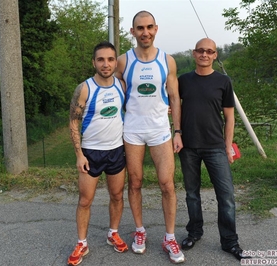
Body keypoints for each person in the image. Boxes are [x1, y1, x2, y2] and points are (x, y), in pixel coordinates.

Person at [114, 11, 185, 264]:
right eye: (140, 28)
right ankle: (140, 231)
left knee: (167, 184)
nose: (145, 32)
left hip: (160, 130)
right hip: (132, 130)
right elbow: (114, 91)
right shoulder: (122, 61)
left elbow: (175, 98)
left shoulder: (168, 61)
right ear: (132, 32)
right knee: (135, 182)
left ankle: (169, 236)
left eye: (149, 27)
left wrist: (177, 131)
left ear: (156, 29)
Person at [177, 37, 251, 261]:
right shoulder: (183, 80)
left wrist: (228, 147)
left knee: (226, 196)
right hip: (187, 146)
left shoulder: (224, 81)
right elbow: (174, 106)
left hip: (215, 147)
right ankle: (194, 232)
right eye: (200, 50)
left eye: (209, 51)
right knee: (192, 194)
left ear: (215, 55)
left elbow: (230, 117)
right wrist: (176, 131)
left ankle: (230, 242)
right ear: (194, 53)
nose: (204, 55)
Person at [68, 41, 128, 266]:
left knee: (117, 196)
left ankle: (113, 233)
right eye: (101, 59)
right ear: (93, 62)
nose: (106, 64)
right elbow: (73, 122)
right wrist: (79, 154)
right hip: (91, 153)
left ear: (115, 62)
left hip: (116, 151)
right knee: (85, 201)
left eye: (110, 59)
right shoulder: (85, 88)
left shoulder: (121, 86)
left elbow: (138, 106)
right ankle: (82, 243)